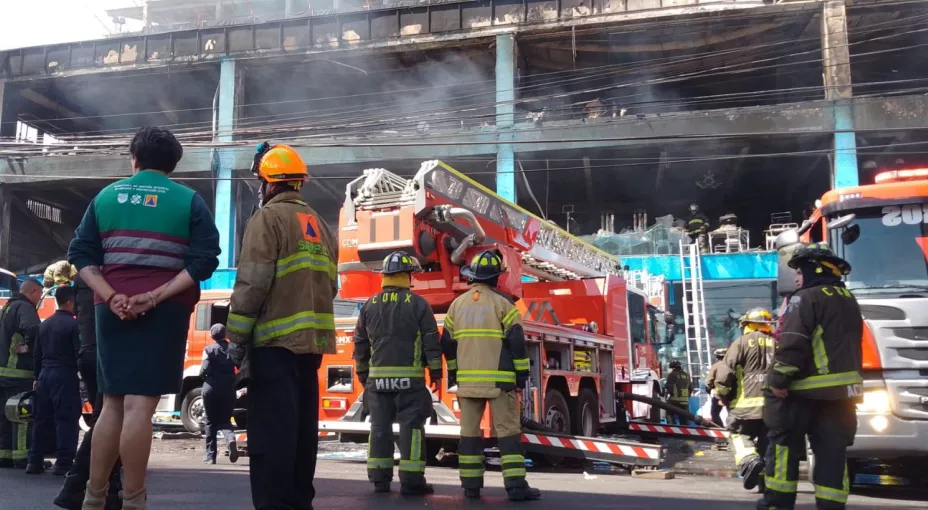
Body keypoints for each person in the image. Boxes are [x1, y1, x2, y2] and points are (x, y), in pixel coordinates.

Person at [68, 126, 221, 510]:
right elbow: (204, 261)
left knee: (112, 404)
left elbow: (81, 254)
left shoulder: (106, 196)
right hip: (165, 312)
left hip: (111, 310)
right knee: (140, 407)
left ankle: (93, 497)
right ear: (173, 164)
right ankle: (135, 501)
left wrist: (112, 296)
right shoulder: (189, 201)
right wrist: (153, 297)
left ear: (134, 158)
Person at [226, 141, 338, 510]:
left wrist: (235, 337)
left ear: (270, 183)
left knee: (272, 435)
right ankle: (298, 502)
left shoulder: (268, 219)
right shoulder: (319, 224)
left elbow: (252, 283)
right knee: (301, 434)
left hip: (274, 347)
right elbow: (331, 285)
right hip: (311, 348)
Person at [758, 243, 863, 510]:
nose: (796, 278)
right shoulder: (848, 298)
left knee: (783, 447)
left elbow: (793, 342)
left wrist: (778, 381)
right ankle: (832, 506)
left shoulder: (805, 298)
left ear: (813, 270)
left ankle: (777, 503)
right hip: (842, 395)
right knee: (832, 453)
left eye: (799, 271)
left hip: (802, 391)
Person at [441, 249, 540, 501]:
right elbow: (517, 344)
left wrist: (454, 371)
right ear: (496, 278)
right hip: (500, 383)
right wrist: (521, 375)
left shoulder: (456, 306)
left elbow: (447, 343)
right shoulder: (504, 305)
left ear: (472, 276)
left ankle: (471, 486)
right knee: (508, 433)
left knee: (469, 434)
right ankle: (516, 487)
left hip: (467, 384)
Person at [352, 250, 441, 495]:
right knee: (411, 430)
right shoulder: (419, 305)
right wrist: (436, 373)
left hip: (377, 383)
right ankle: (412, 482)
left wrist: (363, 375)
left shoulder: (369, 305)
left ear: (385, 275)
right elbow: (431, 341)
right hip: (410, 383)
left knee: (379, 429)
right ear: (407, 275)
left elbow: (360, 343)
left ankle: (380, 480)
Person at [54, 275, 123, 510]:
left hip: (89, 353)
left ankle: (109, 488)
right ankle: (75, 488)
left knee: (106, 419)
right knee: (108, 419)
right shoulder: (109, 271)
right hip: (106, 353)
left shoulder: (84, 276)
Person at [714, 308, 776, 492]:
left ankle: (749, 460)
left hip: (745, 406)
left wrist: (721, 394)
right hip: (773, 407)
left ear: (747, 325)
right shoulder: (777, 344)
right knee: (767, 445)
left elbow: (725, 372)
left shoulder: (740, 343)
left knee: (737, 434)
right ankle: (765, 484)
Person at [27, 286, 82, 475]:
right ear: (70, 302)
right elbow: (78, 353)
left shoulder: (44, 324)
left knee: (41, 420)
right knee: (66, 418)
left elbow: (37, 354)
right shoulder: (73, 325)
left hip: (44, 375)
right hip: (64, 375)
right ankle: (64, 463)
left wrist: (36, 377)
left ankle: (34, 462)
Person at [0, 278, 42, 469]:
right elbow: (34, 330)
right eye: (39, 294)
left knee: (4, 415)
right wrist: (28, 348)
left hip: (3, 374)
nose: (39, 298)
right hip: (18, 374)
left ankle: (4, 456)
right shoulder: (25, 308)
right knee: (21, 416)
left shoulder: (7, 307)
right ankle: (22, 457)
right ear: (33, 291)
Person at [200, 324, 239, 465]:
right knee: (225, 420)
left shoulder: (209, 350)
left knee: (210, 422)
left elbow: (203, 370)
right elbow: (240, 366)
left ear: (212, 335)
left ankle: (211, 456)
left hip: (211, 388)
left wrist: (204, 375)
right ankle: (231, 440)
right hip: (229, 388)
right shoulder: (233, 349)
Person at [704, 348, 728, 427]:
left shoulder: (716, 366)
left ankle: (720, 429)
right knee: (732, 413)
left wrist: (708, 389)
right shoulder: (733, 365)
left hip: (719, 394)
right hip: (732, 394)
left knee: (714, 413)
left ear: (717, 357)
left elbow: (709, 381)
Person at [664, 360, 693, 425]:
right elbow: (691, 388)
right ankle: (685, 428)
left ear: (673, 367)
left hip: (674, 401)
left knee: (669, 412)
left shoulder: (672, 374)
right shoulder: (687, 375)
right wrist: (687, 397)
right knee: (684, 418)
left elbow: (669, 387)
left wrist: (667, 396)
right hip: (685, 401)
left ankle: (671, 427)